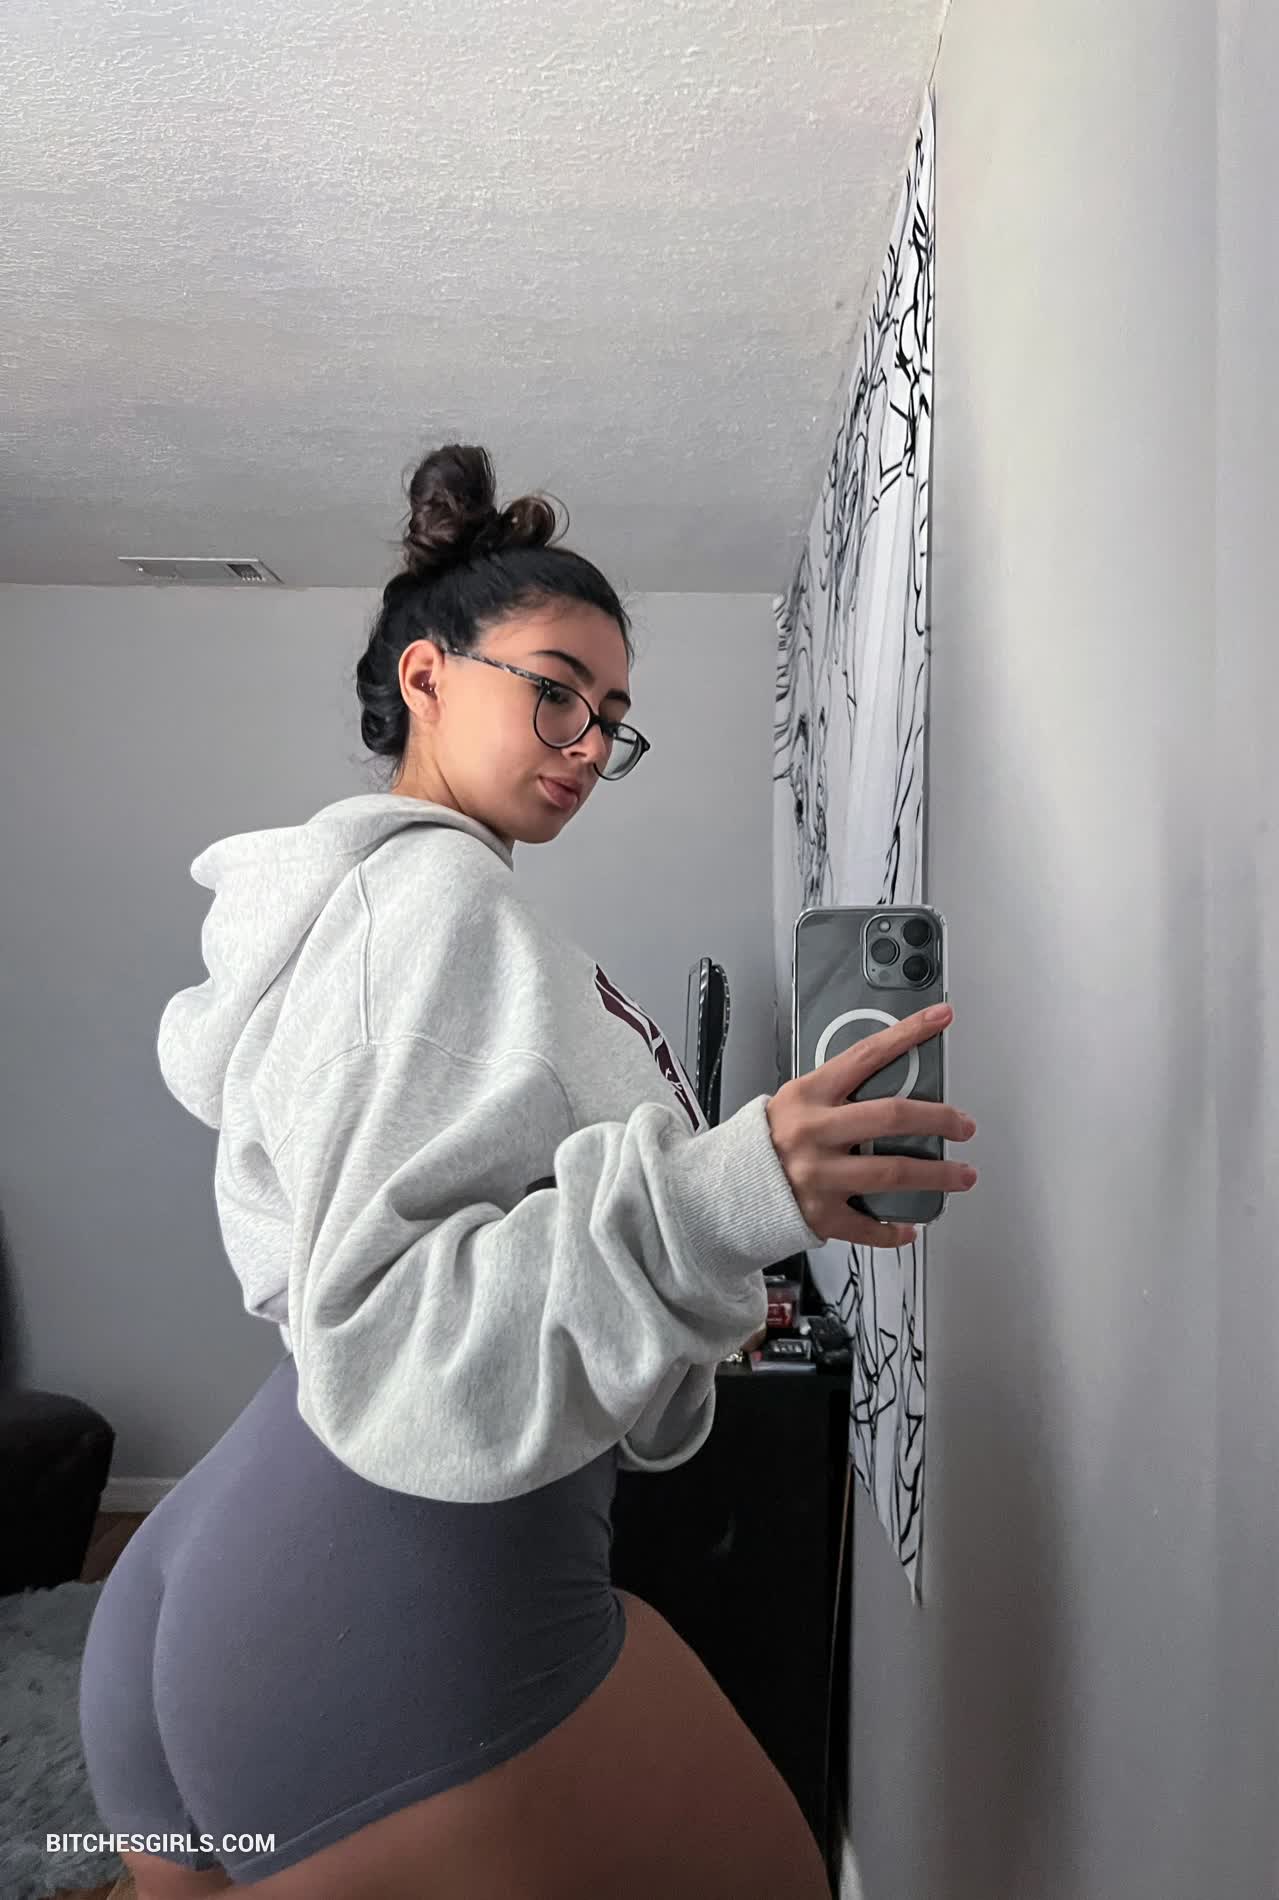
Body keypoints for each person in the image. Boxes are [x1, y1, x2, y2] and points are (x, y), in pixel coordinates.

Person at [77, 443, 978, 1898]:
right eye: (556, 691)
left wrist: (697, 1230)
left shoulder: (355, 905)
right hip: (399, 1593)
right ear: (426, 677)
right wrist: (738, 1186)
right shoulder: (435, 902)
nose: (587, 743)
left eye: (612, 719)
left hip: (239, 1555)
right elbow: (386, 1322)